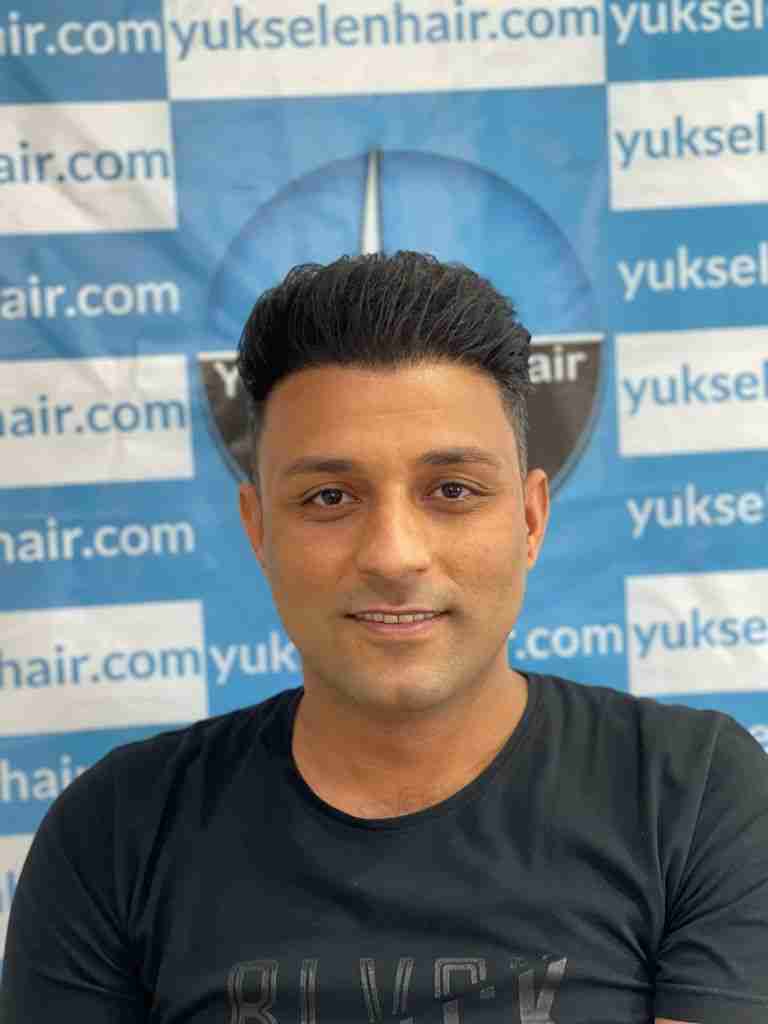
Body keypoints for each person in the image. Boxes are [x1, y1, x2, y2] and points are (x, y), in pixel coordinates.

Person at [1, 252, 767, 1024]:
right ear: (259, 530)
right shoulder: (115, 833)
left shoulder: (691, 795)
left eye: (453, 490)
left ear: (531, 520)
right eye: (330, 497)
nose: (394, 555)